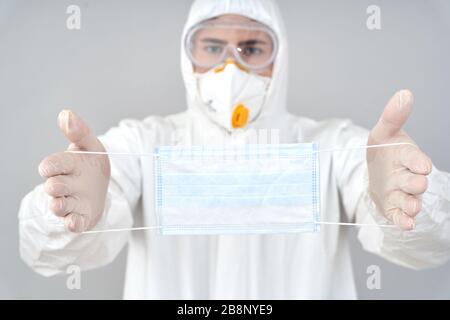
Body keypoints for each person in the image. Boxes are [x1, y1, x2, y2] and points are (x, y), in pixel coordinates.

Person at [18, 0, 450, 299]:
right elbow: (47, 252)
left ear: (279, 59)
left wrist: (413, 198)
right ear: (187, 56)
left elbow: (425, 245)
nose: (231, 66)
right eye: (211, 47)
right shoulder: (142, 142)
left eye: (252, 48)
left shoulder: (331, 144)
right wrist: (69, 212)